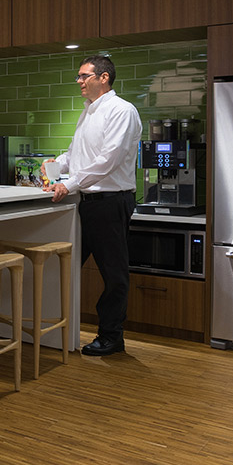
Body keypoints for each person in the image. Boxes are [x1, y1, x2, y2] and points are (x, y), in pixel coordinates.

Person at [45, 55, 142, 357]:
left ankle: (112, 337)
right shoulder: (88, 112)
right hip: (87, 203)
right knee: (66, 267)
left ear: (103, 78)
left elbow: (107, 162)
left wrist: (69, 184)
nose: (79, 82)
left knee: (114, 274)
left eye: (84, 76)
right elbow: (77, 155)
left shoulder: (122, 111)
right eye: (79, 76)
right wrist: (54, 165)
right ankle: (59, 330)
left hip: (111, 202)